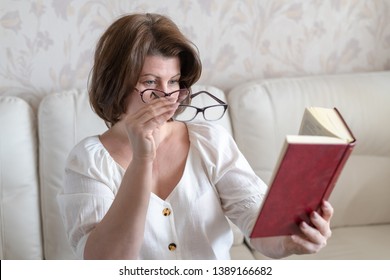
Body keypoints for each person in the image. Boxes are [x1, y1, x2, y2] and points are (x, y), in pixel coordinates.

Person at [57, 13, 333, 260]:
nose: (166, 96)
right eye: (150, 82)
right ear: (116, 84)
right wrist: (142, 158)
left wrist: (291, 240)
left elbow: (257, 223)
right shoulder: (89, 160)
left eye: (174, 82)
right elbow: (104, 262)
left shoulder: (209, 141)